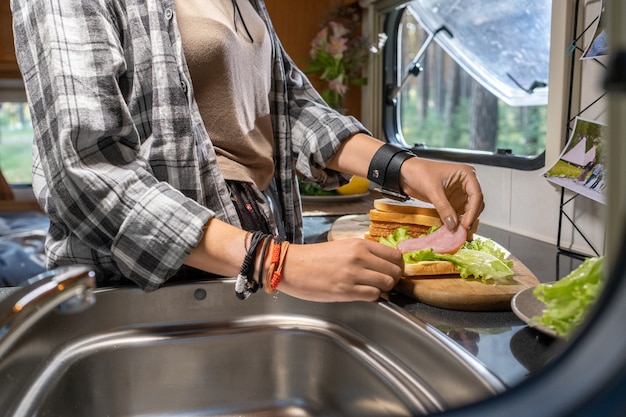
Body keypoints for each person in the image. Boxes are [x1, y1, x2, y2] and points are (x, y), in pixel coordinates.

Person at [10, 0, 483, 302]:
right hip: (139, 282)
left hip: (250, 255)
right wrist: (274, 261)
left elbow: (288, 106)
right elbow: (85, 170)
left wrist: (403, 167)